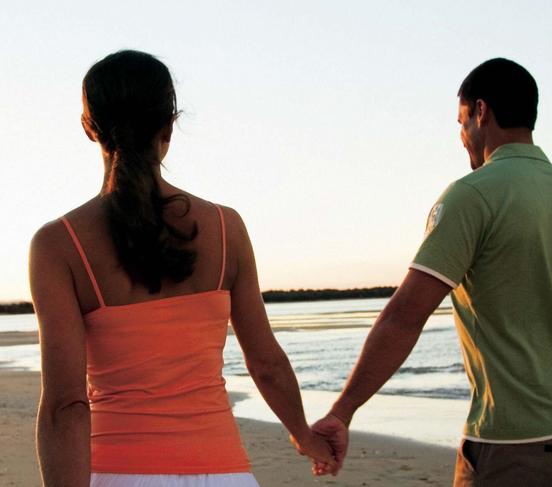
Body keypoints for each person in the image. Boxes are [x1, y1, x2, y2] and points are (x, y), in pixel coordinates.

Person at [30, 50, 333, 487]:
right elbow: (265, 361)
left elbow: (66, 405)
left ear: (88, 127)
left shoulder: (59, 245)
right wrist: (304, 436)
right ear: (169, 124)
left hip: (118, 473)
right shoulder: (226, 227)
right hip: (225, 473)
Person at [312, 58, 552, 486]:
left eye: (461, 122)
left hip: (512, 440)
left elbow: (404, 316)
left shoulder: (473, 196)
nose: (462, 138)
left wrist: (343, 411)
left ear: (482, 112)